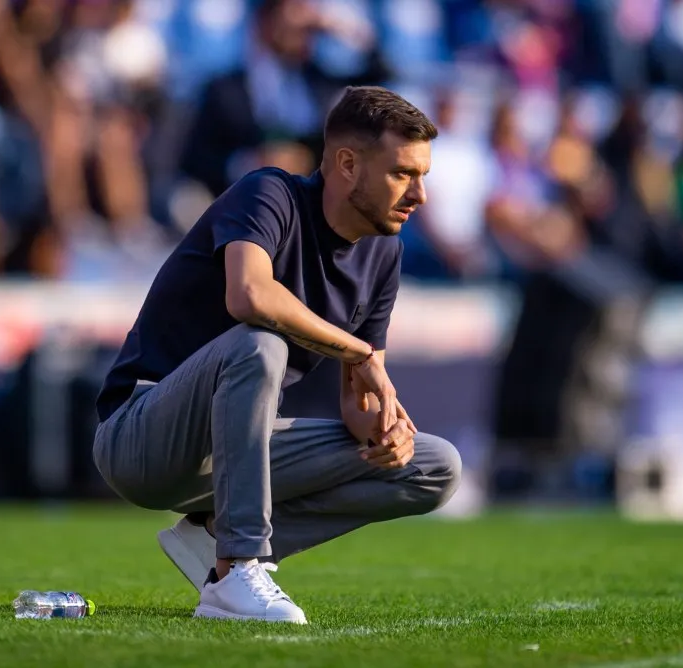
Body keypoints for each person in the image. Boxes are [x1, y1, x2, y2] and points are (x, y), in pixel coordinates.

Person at [92, 86, 461, 623]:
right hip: (142, 439)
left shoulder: (385, 254)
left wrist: (385, 430)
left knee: (434, 465)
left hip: (240, 449)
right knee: (259, 341)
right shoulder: (268, 193)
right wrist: (359, 352)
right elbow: (248, 295)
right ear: (347, 164)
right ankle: (237, 569)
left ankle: (212, 541)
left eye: (422, 175)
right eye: (403, 173)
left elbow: (357, 404)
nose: (420, 194)